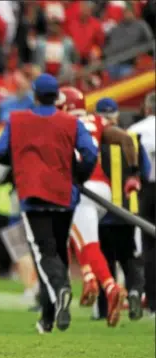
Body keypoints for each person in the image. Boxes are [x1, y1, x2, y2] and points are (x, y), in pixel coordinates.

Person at [0, 73, 98, 334]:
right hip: (65, 194)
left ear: (35, 95)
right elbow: (90, 152)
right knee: (57, 251)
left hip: (33, 193)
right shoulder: (71, 122)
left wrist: (21, 161)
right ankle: (48, 318)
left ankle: (61, 289)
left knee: (44, 253)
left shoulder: (17, 120)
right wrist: (79, 176)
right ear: (57, 97)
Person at [58, 88, 141, 327]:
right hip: (104, 190)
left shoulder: (61, 122)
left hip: (82, 189)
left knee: (81, 240)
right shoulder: (96, 120)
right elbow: (125, 139)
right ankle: (97, 281)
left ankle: (98, 281)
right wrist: (133, 174)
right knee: (85, 238)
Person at [95, 97, 151, 321]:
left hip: (101, 212)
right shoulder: (133, 141)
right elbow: (145, 174)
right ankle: (136, 292)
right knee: (129, 258)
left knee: (104, 260)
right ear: (116, 115)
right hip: (129, 211)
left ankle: (104, 308)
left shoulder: (93, 141)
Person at [128, 91, 156, 317]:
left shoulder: (135, 131)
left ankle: (152, 298)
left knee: (147, 245)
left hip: (144, 190)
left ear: (146, 109)